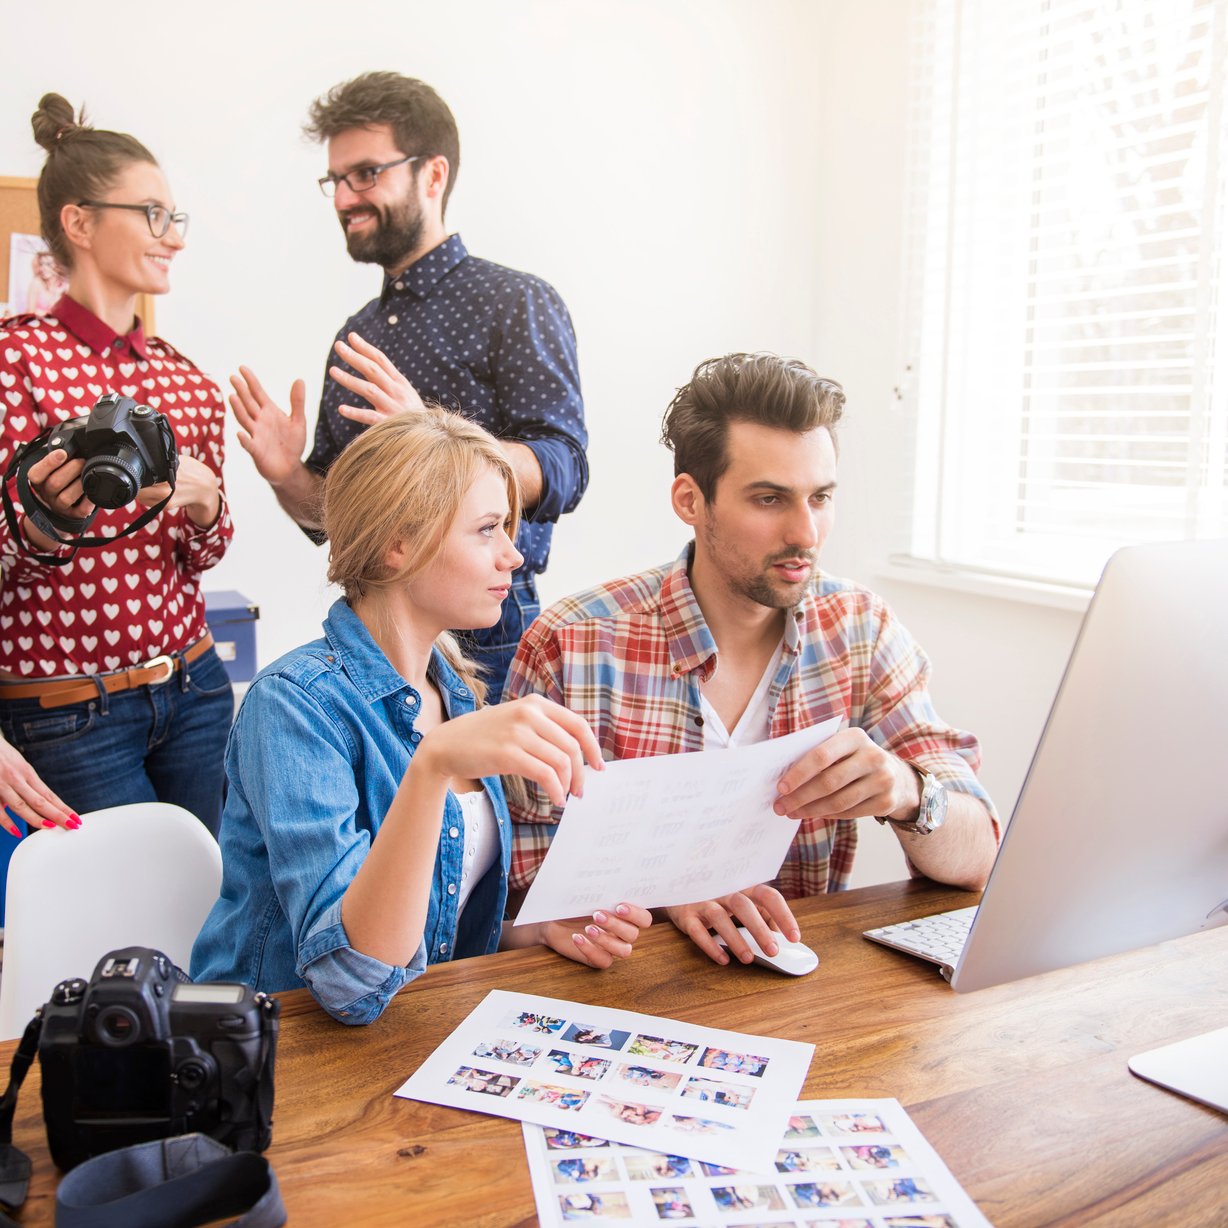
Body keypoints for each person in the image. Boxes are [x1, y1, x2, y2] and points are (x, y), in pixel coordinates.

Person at [505, 353, 999, 965]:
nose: (807, 533)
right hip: (622, 997)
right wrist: (665, 901)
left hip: (806, 996)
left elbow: (977, 860)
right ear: (690, 500)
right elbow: (512, 891)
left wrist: (905, 790)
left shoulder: (860, 629)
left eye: (820, 497)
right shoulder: (573, 644)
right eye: (770, 500)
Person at [190, 410, 649, 1024]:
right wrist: (431, 767)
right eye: (487, 529)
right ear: (396, 545)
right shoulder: (293, 707)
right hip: (274, 1052)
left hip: (416, 1032)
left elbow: (429, 929)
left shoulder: (454, 690)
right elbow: (350, 986)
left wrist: (525, 933)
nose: (513, 556)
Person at [229, 71, 587, 701]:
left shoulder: (516, 302)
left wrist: (437, 445)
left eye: (365, 174)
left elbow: (564, 467)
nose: (344, 197)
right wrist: (287, 474)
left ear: (433, 175)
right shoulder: (356, 334)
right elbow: (336, 520)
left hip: (488, 626)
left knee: (485, 804)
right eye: (336, 180)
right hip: (374, 631)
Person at [0, 94, 234, 834]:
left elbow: (206, 554)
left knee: (220, 913)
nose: (174, 239)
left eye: (175, 219)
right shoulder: (15, 362)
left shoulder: (186, 379)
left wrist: (206, 507)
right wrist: (42, 524)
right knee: (122, 932)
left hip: (195, 689)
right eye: (153, 215)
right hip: (68, 712)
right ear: (79, 222)